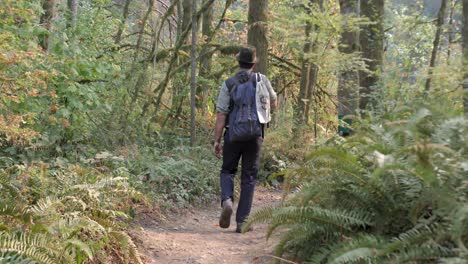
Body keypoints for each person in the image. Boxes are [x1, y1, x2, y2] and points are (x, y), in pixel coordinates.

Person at [213, 46, 277, 233]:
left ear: (238, 62)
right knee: (249, 177)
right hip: (255, 134)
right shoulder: (262, 80)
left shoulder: (229, 84)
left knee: (227, 171)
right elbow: (273, 102)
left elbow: (221, 114)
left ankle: (227, 200)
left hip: (233, 134)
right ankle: (242, 222)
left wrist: (217, 140)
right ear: (254, 63)